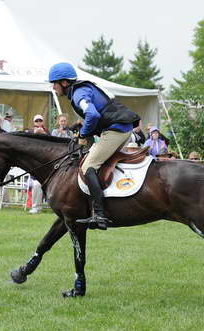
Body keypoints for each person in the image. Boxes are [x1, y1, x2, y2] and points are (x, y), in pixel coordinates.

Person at [49, 62, 138, 229]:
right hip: (122, 128)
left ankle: (99, 215)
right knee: (97, 162)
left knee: (88, 165)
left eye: (54, 83)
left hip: (116, 131)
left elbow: (92, 114)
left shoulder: (78, 94)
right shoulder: (83, 89)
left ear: (65, 83)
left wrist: (83, 134)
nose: (54, 88)